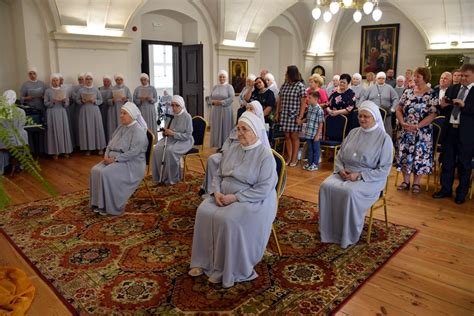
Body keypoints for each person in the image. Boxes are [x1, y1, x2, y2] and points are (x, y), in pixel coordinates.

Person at [189, 111, 277, 288]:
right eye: (238, 129)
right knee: (203, 211)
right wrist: (216, 192)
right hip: (224, 194)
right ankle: (204, 261)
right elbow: (218, 174)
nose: (241, 133)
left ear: (255, 131)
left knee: (228, 220)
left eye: (245, 129)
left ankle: (225, 269)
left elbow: (264, 188)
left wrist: (235, 197)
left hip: (252, 199)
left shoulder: (265, 155)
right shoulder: (233, 149)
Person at [319, 100, 393, 249]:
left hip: (370, 179)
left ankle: (347, 234)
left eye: (367, 116)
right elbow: (339, 155)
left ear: (375, 118)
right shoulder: (353, 132)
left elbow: (384, 168)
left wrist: (359, 175)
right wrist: (340, 169)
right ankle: (329, 231)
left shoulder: (384, 139)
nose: (362, 119)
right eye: (360, 116)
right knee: (325, 186)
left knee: (349, 192)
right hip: (345, 172)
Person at [89, 102, 148, 216]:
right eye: (120, 113)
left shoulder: (138, 131)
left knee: (106, 173)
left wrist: (115, 159)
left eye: (124, 113)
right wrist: (106, 155)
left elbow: (133, 153)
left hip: (131, 163)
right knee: (95, 170)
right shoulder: (121, 127)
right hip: (113, 158)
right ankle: (98, 204)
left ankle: (111, 206)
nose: (121, 115)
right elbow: (110, 143)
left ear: (131, 115)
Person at [200, 100, 270, 195]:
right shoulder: (241, 123)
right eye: (247, 108)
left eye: (251, 108)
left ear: (258, 111)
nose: (248, 110)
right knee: (212, 159)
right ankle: (210, 189)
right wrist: (225, 151)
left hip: (244, 157)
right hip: (229, 153)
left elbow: (259, 147)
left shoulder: (259, 128)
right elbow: (228, 140)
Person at [433, 63, 474, 204]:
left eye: (466, 76)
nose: (463, 78)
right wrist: (441, 106)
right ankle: (445, 189)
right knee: (447, 162)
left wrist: (465, 106)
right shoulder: (453, 88)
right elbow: (446, 109)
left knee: (464, 164)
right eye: (461, 75)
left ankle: (461, 193)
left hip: (467, 134)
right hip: (450, 130)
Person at [396, 67, 438, 193]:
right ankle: (406, 181)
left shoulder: (431, 93)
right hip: (406, 130)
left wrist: (418, 126)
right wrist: (402, 122)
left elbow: (433, 114)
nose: (415, 78)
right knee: (405, 155)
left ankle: (417, 183)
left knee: (419, 156)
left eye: (418, 76)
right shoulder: (408, 92)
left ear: (425, 78)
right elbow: (399, 108)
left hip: (422, 132)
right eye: (414, 76)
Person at [152, 95, 193, 185]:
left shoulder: (187, 117)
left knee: (170, 151)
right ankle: (161, 176)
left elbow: (188, 135)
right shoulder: (170, 115)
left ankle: (172, 178)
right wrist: (165, 132)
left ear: (181, 106)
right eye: (172, 105)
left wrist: (173, 133)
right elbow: (167, 129)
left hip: (184, 141)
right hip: (170, 139)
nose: (174, 108)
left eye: (176, 105)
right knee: (157, 149)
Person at [275, 65, 306, 166]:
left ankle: (295, 158)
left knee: (294, 136)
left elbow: (303, 103)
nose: (285, 74)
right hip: (284, 114)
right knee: (287, 136)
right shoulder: (285, 85)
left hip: (294, 115)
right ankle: (289, 156)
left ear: (291, 74)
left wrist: (300, 116)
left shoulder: (300, 86)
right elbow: (280, 99)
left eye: (287, 72)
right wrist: (277, 113)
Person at [75, 72, 107, 155]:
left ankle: (100, 147)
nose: (88, 80)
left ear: (92, 80)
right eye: (87, 79)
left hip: (94, 111)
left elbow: (101, 100)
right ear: (84, 80)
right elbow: (77, 100)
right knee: (86, 129)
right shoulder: (81, 90)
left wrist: (95, 101)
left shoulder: (96, 89)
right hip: (84, 111)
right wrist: (82, 101)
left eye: (90, 79)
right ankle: (88, 148)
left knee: (97, 128)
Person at [43, 73, 73, 159]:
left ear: (59, 81)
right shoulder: (48, 91)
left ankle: (65, 151)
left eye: (57, 80)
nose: (55, 82)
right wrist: (52, 101)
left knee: (63, 131)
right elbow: (45, 103)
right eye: (53, 80)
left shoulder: (63, 90)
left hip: (61, 112)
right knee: (53, 131)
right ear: (51, 81)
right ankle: (55, 152)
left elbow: (67, 104)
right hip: (52, 113)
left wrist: (64, 101)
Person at [0, 90, 28, 175]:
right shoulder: (21, 111)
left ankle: (2, 167)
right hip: (20, 139)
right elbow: (23, 123)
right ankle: (20, 166)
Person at [209, 70, 234, 148]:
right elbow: (210, 98)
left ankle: (225, 146)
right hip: (216, 111)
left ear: (226, 78)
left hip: (225, 110)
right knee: (216, 127)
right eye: (220, 76)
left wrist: (221, 102)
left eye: (223, 77)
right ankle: (218, 145)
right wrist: (212, 102)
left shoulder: (229, 87)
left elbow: (231, 98)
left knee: (225, 127)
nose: (222, 78)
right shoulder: (215, 87)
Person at [303, 90, 324, 171]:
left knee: (316, 149)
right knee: (310, 149)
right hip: (309, 132)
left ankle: (315, 164)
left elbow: (321, 123)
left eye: (310, 98)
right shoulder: (310, 107)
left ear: (315, 99)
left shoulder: (319, 110)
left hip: (315, 133)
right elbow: (307, 118)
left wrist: (317, 135)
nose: (308, 99)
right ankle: (310, 163)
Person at [108, 73, 132, 141]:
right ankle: (115, 142)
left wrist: (126, 99)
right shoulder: (112, 89)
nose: (119, 81)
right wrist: (112, 100)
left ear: (123, 80)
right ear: (115, 80)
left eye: (120, 79)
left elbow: (131, 99)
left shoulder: (126, 88)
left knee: (124, 125)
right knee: (115, 126)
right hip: (114, 110)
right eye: (117, 79)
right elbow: (108, 101)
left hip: (124, 109)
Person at [133, 73, 158, 138]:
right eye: (142, 80)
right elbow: (134, 100)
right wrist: (140, 100)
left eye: (145, 80)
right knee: (142, 124)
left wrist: (151, 99)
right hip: (141, 110)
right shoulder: (137, 89)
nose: (143, 81)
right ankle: (142, 140)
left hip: (150, 110)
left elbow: (156, 99)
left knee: (150, 125)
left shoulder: (152, 88)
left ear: (148, 80)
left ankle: (152, 140)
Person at [99, 75, 113, 140]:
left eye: (107, 81)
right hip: (102, 109)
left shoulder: (114, 89)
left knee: (110, 125)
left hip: (111, 109)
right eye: (104, 81)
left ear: (110, 82)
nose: (106, 83)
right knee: (103, 125)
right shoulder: (99, 89)